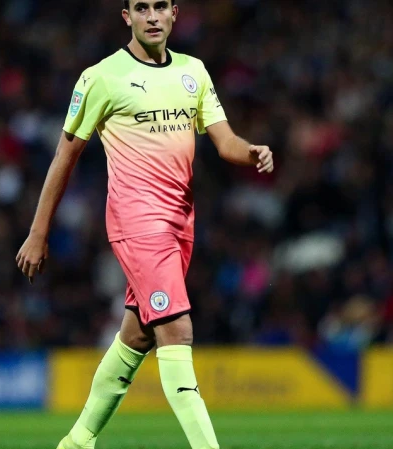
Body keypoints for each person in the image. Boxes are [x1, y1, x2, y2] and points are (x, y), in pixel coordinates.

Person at [15, 1, 274, 448]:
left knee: (136, 336)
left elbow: (225, 140)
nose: (151, 16)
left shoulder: (193, 71)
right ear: (127, 16)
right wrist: (39, 232)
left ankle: (76, 443)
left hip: (180, 223)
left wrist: (250, 151)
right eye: (141, 8)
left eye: (159, 7)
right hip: (136, 220)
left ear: (174, 13)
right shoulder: (101, 78)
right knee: (177, 330)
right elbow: (65, 155)